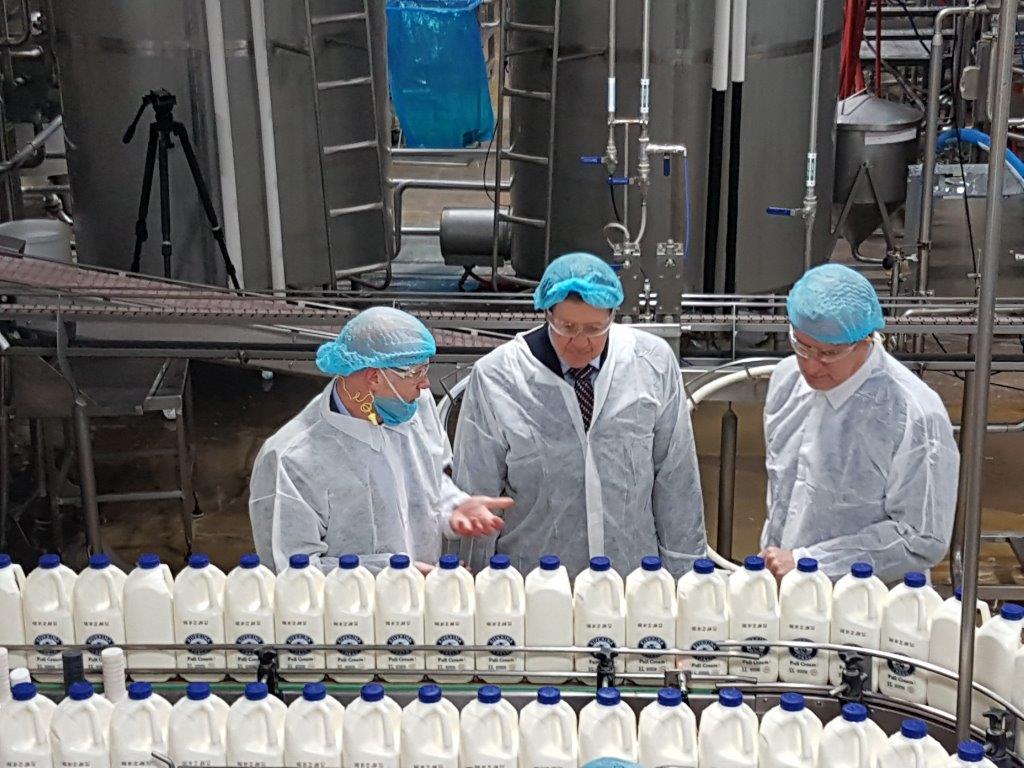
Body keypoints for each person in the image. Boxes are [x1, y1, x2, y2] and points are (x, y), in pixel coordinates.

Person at [452, 252, 707, 577]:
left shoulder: (651, 362)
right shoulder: (499, 375)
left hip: (631, 578)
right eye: (567, 327)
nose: (581, 343)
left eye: (595, 328)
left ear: (613, 316)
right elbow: (476, 489)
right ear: (546, 312)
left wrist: (686, 577)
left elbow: (676, 480)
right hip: (531, 578)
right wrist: (471, 582)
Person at [249, 306, 510, 574]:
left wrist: (454, 506)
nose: (425, 384)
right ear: (374, 376)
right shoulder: (292, 460)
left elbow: (427, 477)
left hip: (425, 598)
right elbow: (294, 571)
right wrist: (390, 572)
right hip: (349, 613)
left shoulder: (414, 407)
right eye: (415, 373)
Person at [761, 263, 959, 583]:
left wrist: (811, 563)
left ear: (865, 340)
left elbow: (921, 539)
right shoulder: (787, 380)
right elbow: (784, 498)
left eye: (828, 353)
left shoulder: (915, 415)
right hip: (785, 588)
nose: (811, 365)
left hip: (869, 602)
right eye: (801, 346)